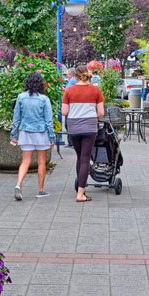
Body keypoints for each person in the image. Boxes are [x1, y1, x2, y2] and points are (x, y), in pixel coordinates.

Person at [62, 65, 105, 202]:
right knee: (86, 158)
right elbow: (101, 113)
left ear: (75, 76)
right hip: (90, 127)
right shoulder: (95, 90)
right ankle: (81, 193)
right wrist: (93, 117)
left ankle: (81, 188)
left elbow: (64, 112)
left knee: (79, 157)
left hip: (74, 128)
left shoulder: (69, 91)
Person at [10, 72, 56, 201]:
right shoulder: (44, 99)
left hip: (25, 132)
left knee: (25, 161)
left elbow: (16, 118)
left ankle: (18, 184)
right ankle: (40, 190)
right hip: (41, 134)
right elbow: (48, 120)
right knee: (42, 162)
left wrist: (13, 134)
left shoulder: (21, 97)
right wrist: (52, 137)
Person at [63, 68, 76, 148]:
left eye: (67, 74)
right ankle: (72, 143)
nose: (67, 76)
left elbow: (67, 92)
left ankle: (71, 143)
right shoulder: (74, 80)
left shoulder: (72, 81)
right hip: (73, 105)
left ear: (71, 75)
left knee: (68, 123)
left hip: (70, 105)